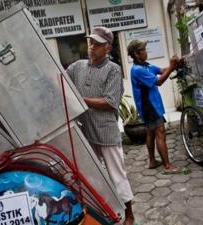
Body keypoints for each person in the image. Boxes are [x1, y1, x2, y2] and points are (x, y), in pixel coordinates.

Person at [66, 27, 135, 225]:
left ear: (108, 48)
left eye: (97, 44)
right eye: (91, 43)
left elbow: (111, 102)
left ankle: (129, 213)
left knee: (117, 174)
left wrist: (80, 100)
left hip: (106, 131)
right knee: (90, 174)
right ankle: (97, 212)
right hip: (84, 130)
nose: (92, 47)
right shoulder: (77, 67)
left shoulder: (113, 69)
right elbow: (60, 77)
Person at [127, 39, 180, 173]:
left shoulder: (146, 66)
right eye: (143, 50)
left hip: (150, 106)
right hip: (149, 107)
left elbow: (161, 71)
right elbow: (160, 81)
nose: (146, 51)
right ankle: (167, 165)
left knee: (150, 132)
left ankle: (152, 161)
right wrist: (172, 67)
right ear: (136, 54)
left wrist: (173, 65)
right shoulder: (138, 70)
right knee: (160, 133)